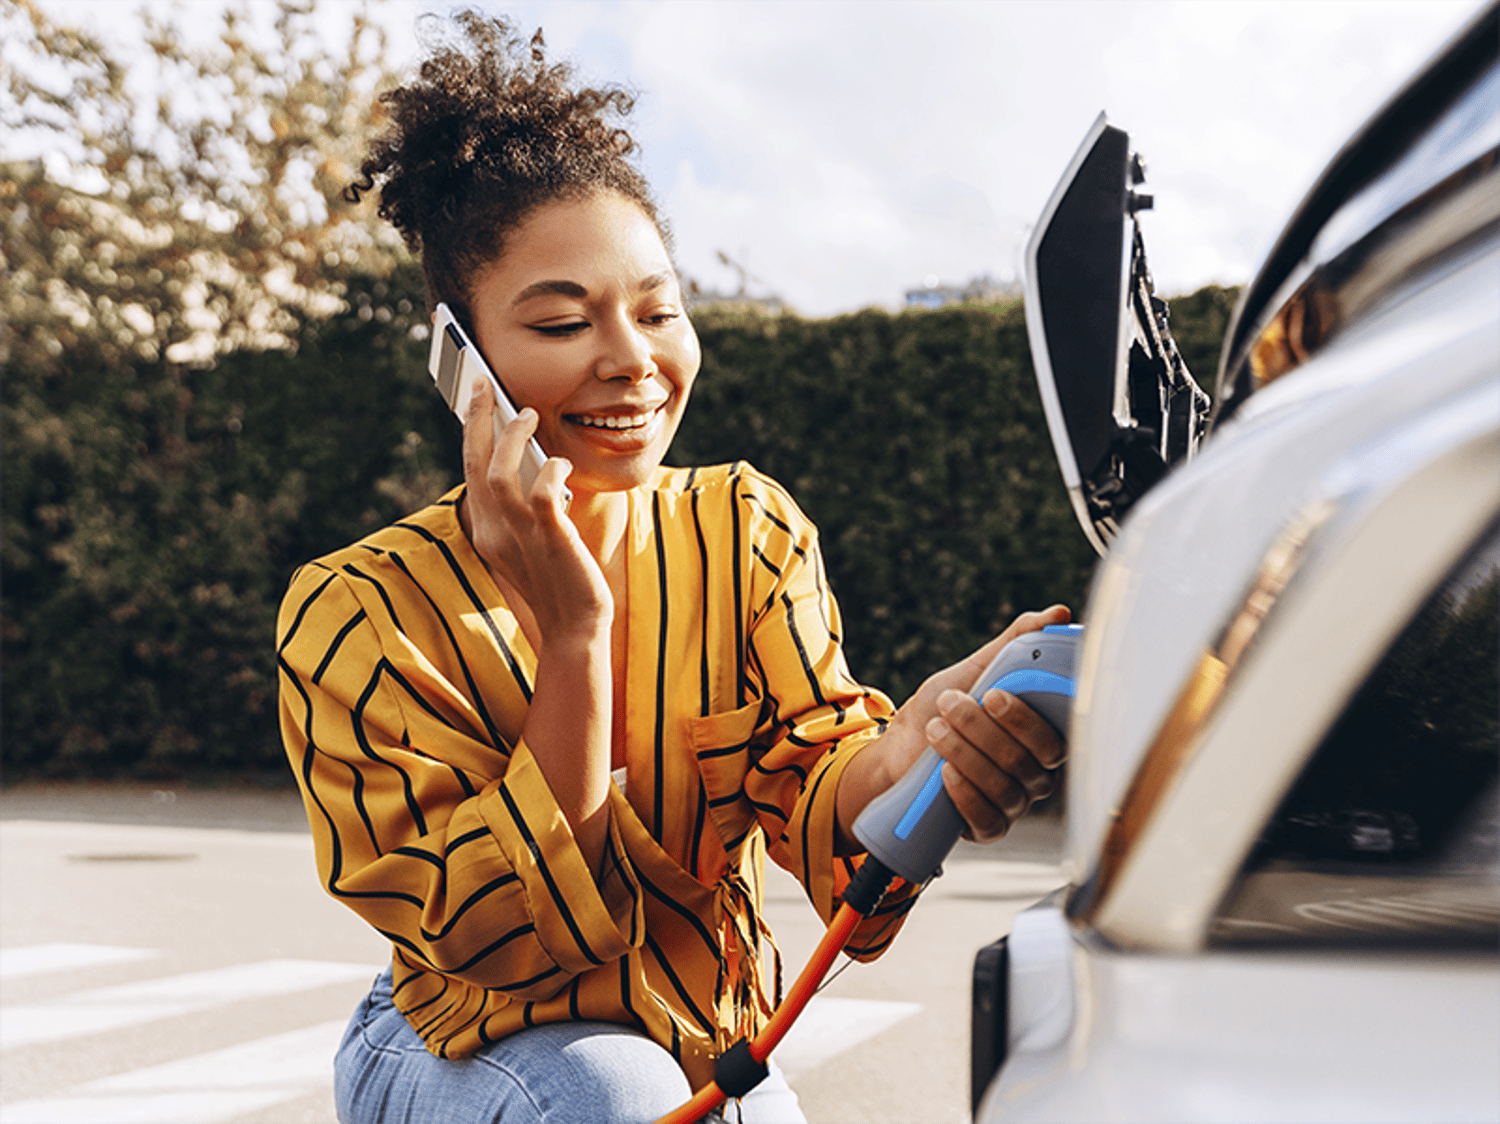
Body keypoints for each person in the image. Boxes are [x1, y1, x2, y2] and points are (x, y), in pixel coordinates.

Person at [276, 12, 1067, 1124]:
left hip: (706, 1043)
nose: (633, 359)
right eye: (561, 322)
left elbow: (819, 794)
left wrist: (911, 753)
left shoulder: (744, 528)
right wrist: (576, 634)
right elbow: (497, 938)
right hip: (464, 1038)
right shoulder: (361, 610)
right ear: (462, 363)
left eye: (658, 309)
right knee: (607, 1094)